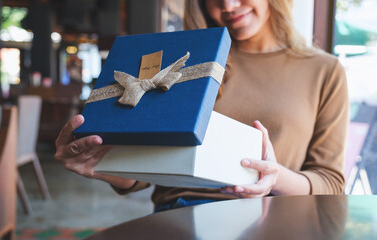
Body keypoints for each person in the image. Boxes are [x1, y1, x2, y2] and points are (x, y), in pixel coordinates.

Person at [55, 0, 348, 212]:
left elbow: (330, 183)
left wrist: (274, 177)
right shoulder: (185, 62)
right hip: (180, 212)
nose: (228, 5)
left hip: (274, 217)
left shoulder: (324, 70)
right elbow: (145, 174)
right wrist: (98, 166)